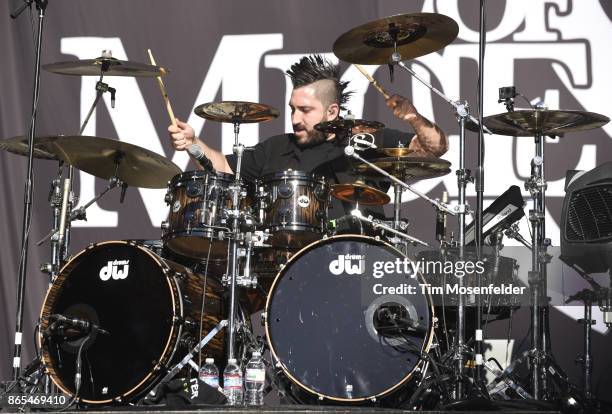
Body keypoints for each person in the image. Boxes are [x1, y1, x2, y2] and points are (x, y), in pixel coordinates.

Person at [168, 54, 448, 220]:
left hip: (361, 262)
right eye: (293, 109)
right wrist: (194, 144)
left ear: (332, 111)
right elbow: (227, 169)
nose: (295, 119)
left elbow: (434, 149)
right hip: (288, 263)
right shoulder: (277, 148)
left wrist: (413, 118)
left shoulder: (368, 140)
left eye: (305, 110)